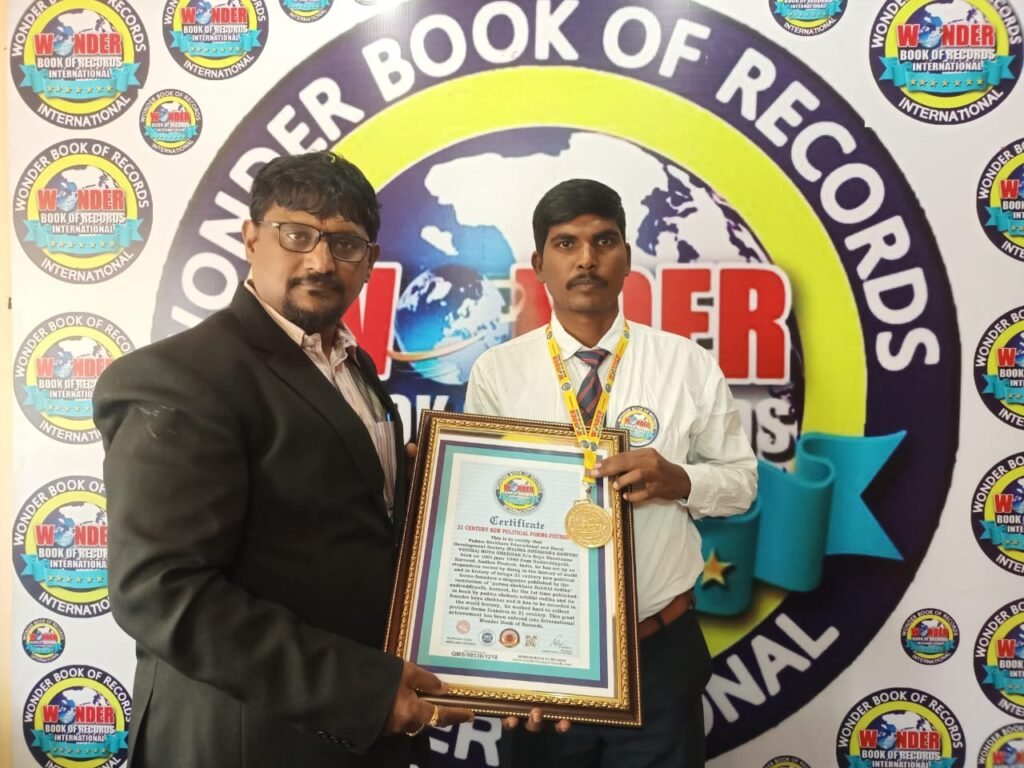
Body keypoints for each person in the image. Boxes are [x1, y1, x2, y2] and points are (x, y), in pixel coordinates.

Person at [93, 151, 472, 768]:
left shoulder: (352, 367)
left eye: (345, 244)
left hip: (360, 733)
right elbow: (161, 591)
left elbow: (342, 522)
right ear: (251, 238)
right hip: (246, 740)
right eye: (296, 234)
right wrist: (364, 691)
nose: (320, 261)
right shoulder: (180, 376)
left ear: (370, 261)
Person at [464, 179, 757, 767]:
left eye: (603, 241)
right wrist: (503, 666)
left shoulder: (686, 365)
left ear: (626, 257)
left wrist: (681, 481)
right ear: (539, 265)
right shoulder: (498, 373)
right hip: (540, 652)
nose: (586, 259)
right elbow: (480, 521)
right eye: (565, 243)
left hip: (658, 648)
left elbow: (742, 485)